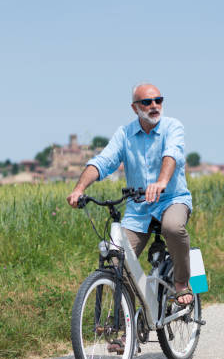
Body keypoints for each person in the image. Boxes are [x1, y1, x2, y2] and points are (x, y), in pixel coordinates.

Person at [67, 83, 193, 305]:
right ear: (135, 108)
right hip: (139, 209)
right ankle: (132, 323)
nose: (154, 106)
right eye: (147, 102)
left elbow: (171, 154)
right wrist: (79, 189)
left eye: (158, 100)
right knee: (117, 258)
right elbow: (103, 161)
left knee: (172, 227)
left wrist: (162, 181)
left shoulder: (173, 127)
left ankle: (182, 283)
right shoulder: (124, 134)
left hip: (172, 199)